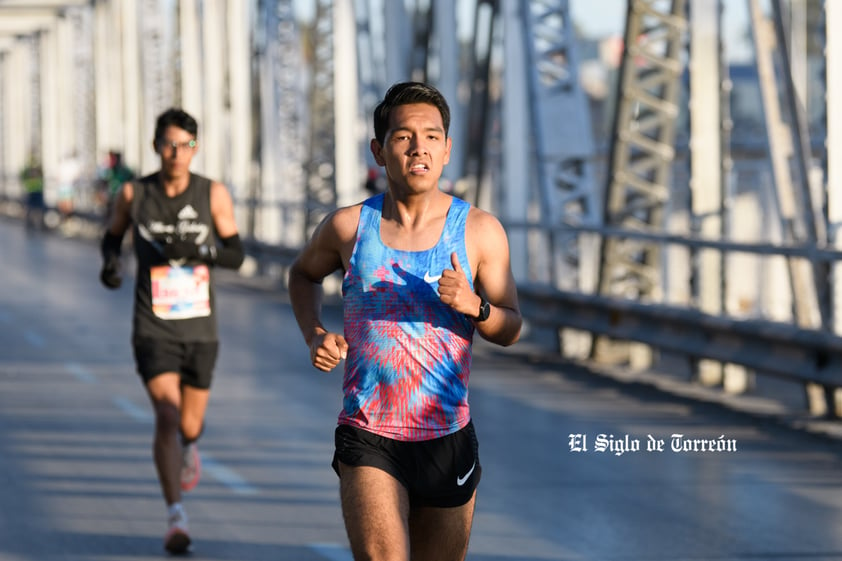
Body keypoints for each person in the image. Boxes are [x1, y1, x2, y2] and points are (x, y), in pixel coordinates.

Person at [288, 81, 522, 561]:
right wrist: (314, 334)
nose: (419, 148)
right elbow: (302, 274)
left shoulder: (479, 231)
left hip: (447, 436)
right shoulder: (348, 227)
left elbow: (512, 328)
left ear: (447, 149)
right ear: (379, 150)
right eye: (404, 136)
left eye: (432, 136)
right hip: (369, 432)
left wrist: (475, 306)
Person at [98, 108, 244, 554]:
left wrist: (203, 253)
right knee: (165, 413)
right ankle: (175, 516)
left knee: (189, 422)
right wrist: (111, 265)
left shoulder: (212, 194)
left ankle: (188, 444)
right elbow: (112, 237)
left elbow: (236, 254)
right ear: (155, 147)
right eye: (168, 144)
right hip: (152, 324)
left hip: (200, 328)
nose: (176, 153)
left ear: (195, 148)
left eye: (185, 145)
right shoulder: (133, 193)